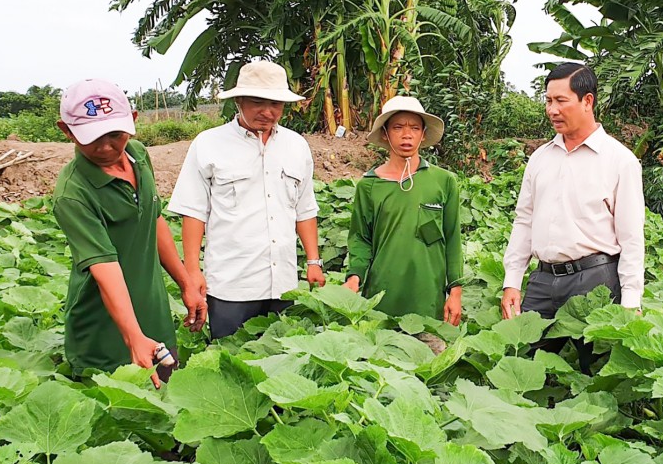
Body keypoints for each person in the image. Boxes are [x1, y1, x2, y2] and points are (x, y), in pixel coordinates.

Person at [53, 79, 204, 388]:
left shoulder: (137, 154)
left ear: (133, 121)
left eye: (115, 134)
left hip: (154, 316)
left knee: (169, 420)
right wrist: (133, 336)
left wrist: (186, 283)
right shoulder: (73, 193)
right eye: (92, 138)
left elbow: (153, 219)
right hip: (104, 334)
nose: (107, 147)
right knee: (119, 424)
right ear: (66, 130)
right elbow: (104, 269)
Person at [501, 62, 644, 372]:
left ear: (587, 101)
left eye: (561, 101)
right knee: (520, 367)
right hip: (543, 280)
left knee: (595, 375)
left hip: (595, 281)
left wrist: (631, 300)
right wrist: (512, 281)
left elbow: (632, 238)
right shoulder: (540, 158)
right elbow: (524, 220)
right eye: (548, 100)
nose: (552, 109)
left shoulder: (620, 161)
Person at [168, 61, 325, 339]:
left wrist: (313, 261)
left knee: (282, 363)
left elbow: (304, 208)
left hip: (284, 283)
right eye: (257, 102)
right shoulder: (208, 144)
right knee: (231, 363)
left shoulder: (296, 145)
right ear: (238, 100)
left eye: (276, 104)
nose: (267, 112)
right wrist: (192, 271)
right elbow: (193, 212)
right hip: (231, 285)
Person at [343, 97, 464, 324]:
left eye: (414, 128)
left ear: (423, 134)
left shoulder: (443, 181)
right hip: (381, 300)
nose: (406, 134)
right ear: (385, 134)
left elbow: (452, 239)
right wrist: (354, 276)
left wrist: (455, 291)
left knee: (431, 356)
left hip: (430, 301)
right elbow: (360, 239)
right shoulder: (369, 185)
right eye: (398, 127)